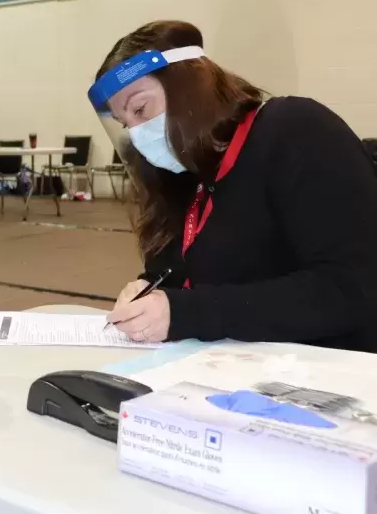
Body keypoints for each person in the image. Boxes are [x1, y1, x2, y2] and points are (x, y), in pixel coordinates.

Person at [90, 20, 377, 352]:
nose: (139, 135)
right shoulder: (187, 177)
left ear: (189, 85)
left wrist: (184, 312)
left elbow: (351, 286)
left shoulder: (294, 131)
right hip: (242, 368)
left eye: (141, 109)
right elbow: (179, 272)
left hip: (337, 372)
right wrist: (148, 288)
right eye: (127, 124)